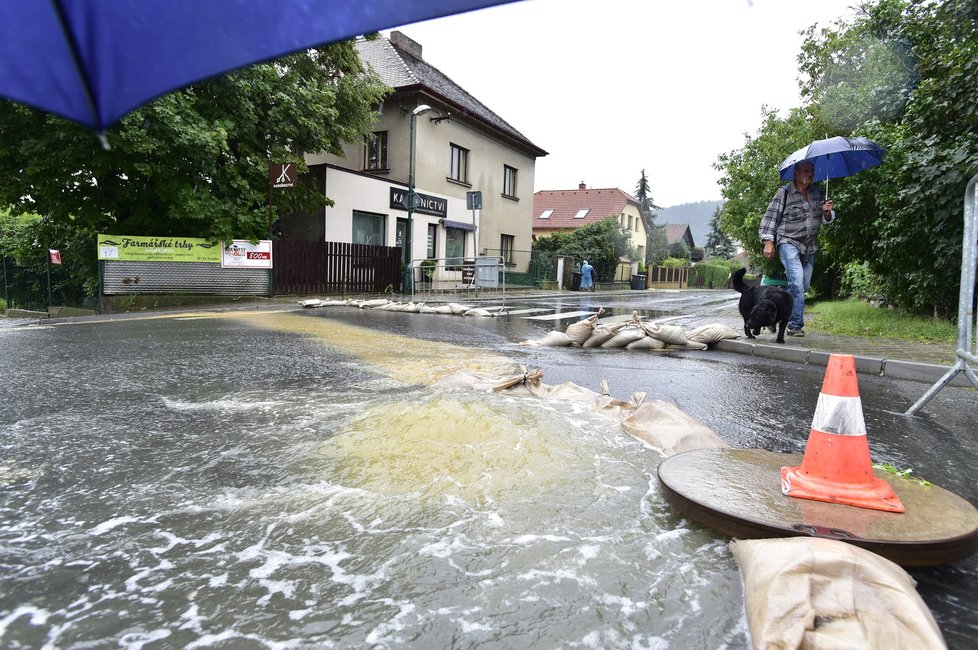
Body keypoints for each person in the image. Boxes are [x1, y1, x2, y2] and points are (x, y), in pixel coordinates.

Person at [758, 159, 835, 337]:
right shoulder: (784, 193)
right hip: (788, 242)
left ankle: (774, 311)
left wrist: (828, 212)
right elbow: (770, 218)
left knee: (802, 285)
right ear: (796, 174)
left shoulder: (817, 193)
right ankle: (794, 326)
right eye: (806, 171)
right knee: (797, 283)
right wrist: (768, 242)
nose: (810, 174)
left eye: (812, 171)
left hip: (810, 247)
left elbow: (826, 220)